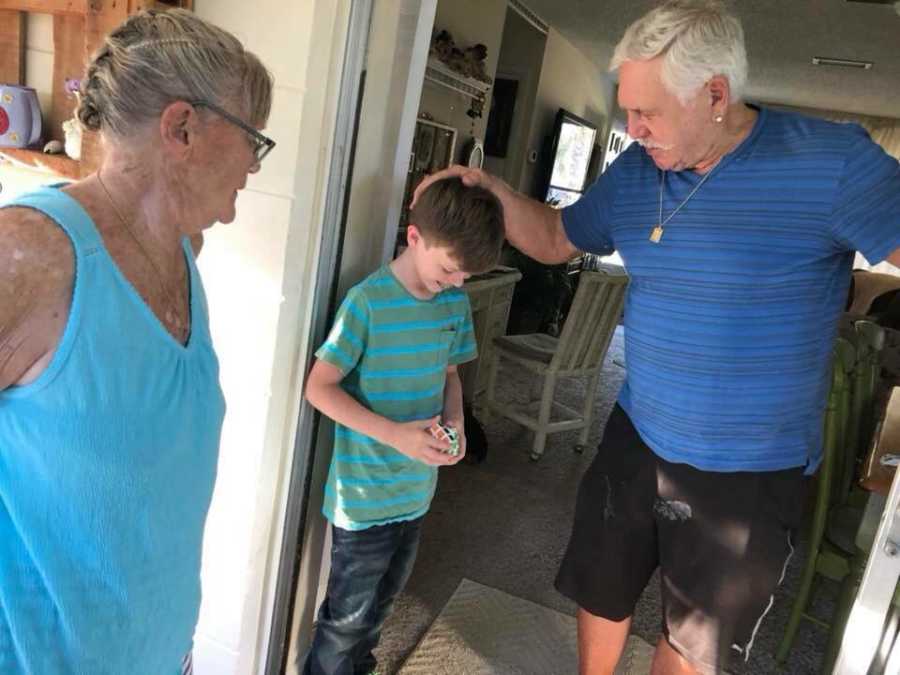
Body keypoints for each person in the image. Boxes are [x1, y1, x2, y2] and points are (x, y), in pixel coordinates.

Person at [414, 1, 900, 673]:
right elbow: (556, 238)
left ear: (716, 96)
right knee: (602, 581)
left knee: (694, 638)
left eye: (648, 112)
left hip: (750, 470)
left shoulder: (832, 162)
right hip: (637, 431)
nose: (632, 127)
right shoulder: (638, 172)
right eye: (627, 109)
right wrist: (490, 190)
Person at [0, 9, 274, 675]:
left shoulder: (185, 249)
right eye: (253, 142)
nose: (256, 166)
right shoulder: (32, 254)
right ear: (181, 127)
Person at [302, 177, 505, 675]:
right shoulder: (367, 303)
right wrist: (396, 436)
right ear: (414, 238)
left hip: (416, 493)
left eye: (466, 276)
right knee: (345, 620)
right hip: (365, 497)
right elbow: (318, 388)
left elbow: (450, 375)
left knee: (381, 609)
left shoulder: (453, 305)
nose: (457, 283)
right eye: (450, 269)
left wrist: (456, 422)